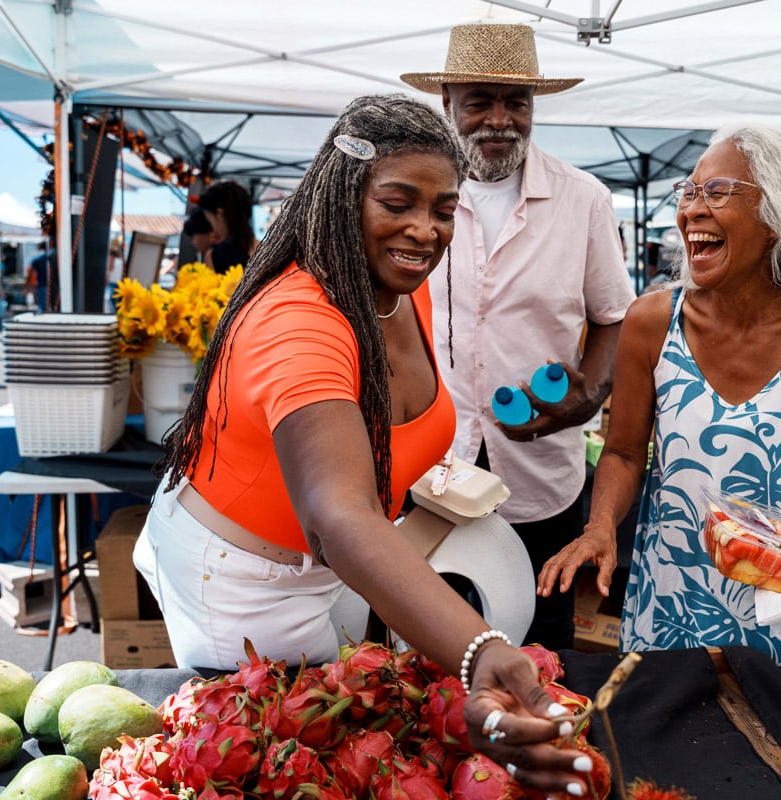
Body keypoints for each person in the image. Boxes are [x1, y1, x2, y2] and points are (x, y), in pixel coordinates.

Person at [132, 94, 594, 794]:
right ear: (344, 195)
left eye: (443, 210)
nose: (424, 230)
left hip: (325, 576)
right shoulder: (299, 321)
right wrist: (480, 651)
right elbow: (339, 517)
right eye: (398, 203)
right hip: (243, 590)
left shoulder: (402, 288)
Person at [538, 126, 781, 665]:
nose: (692, 210)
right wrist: (600, 527)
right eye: (688, 193)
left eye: (716, 192)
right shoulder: (651, 322)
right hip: (675, 609)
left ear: (779, 214)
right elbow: (623, 452)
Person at [401, 23, 636, 651]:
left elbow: (615, 316)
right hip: (431, 461)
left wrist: (587, 398)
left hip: (542, 464)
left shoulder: (582, 199)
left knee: (542, 638)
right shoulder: (416, 199)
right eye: (480, 101)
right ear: (447, 102)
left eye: (517, 103)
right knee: (431, 636)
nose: (499, 120)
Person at [197, 180, 256, 274]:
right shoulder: (267, 249)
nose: (213, 230)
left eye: (211, 221)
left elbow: (211, 288)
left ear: (220, 214)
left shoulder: (215, 256)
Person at [27, 240, 56, 313]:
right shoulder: (50, 256)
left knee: (41, 306)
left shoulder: (36, 259)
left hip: (40, 285)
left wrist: (27, 286)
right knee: (48, 306)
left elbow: (29, 273)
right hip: (50, 285)